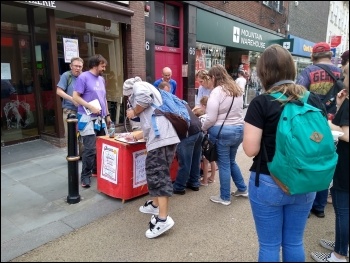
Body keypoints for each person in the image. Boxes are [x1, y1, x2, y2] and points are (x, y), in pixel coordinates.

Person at [243, 44, 327, 261]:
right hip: (305, 179)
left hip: (268, 180)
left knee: (270, 246)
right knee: (294, 241)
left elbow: (250, 149)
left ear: (263, 72)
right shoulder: (313, 99)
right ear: (292, 69)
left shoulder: (261, 103)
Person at [122, 77, 180, 239]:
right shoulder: (148, 88)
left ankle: (163, 219)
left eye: (128, 97)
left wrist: (134, 111)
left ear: (129, 91)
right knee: (156, 174)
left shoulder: (138, 86)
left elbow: (144, 98)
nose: (129, 100)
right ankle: (155, 206)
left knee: (158, 176)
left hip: (160, 139)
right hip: (164, 137)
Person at [297, 42, 342, 219]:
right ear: (330, 55)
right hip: (336, 126)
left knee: (310, 159)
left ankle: (307, 206)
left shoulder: (309, 72)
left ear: (313, 56)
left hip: (312, 123)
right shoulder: (341, 73)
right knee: (326, 161)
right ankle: (320, 206)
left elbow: (298, 95)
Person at [311, 63, 349, 263]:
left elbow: (347, 134)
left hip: (345, 167)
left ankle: (339, 255)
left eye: (345, 73)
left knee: (343, 210)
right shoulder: (347, 100)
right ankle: (342, 245)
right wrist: (342, 103)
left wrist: (326, 124)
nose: (342, 77)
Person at [201, 64, 247, 206]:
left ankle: (225, 197)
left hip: (223, 133)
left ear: (214, 77)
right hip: (239, 130)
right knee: (231, 161)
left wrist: (202, 127)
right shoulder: (236, 89)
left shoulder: (217, 92)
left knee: (224, 164)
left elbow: (211, 118)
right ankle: (242, 189)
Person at [73, 54, 111, 188]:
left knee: (103, 146)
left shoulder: (101, 79)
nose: (104, 68)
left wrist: (107, 115)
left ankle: (96, 170)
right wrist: (89, 106)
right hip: (86, 117)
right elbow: (75, 97)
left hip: (100, 118)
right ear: (95, 64)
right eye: (103, 65)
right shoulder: (83, 77)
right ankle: (85, 176)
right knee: (90, 148)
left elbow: (104, 98)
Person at [56, 57, 83, 137]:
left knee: (83, 136)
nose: (78, 68)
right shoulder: (67, 75)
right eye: (76, 66)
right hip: (70, 110)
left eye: (80, 66)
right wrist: (72, 99)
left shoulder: (84, 77)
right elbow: (59, 91)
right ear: (71, 66)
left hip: (83, 111)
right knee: (71, 137)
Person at [194, 96, 216, 186]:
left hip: (205, 142)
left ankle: (205, 181)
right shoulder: (213, 116)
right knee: (212, 159)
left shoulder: (202, 117)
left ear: (203, 105)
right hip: (213, 140)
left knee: (205, 161)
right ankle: (212, 177)